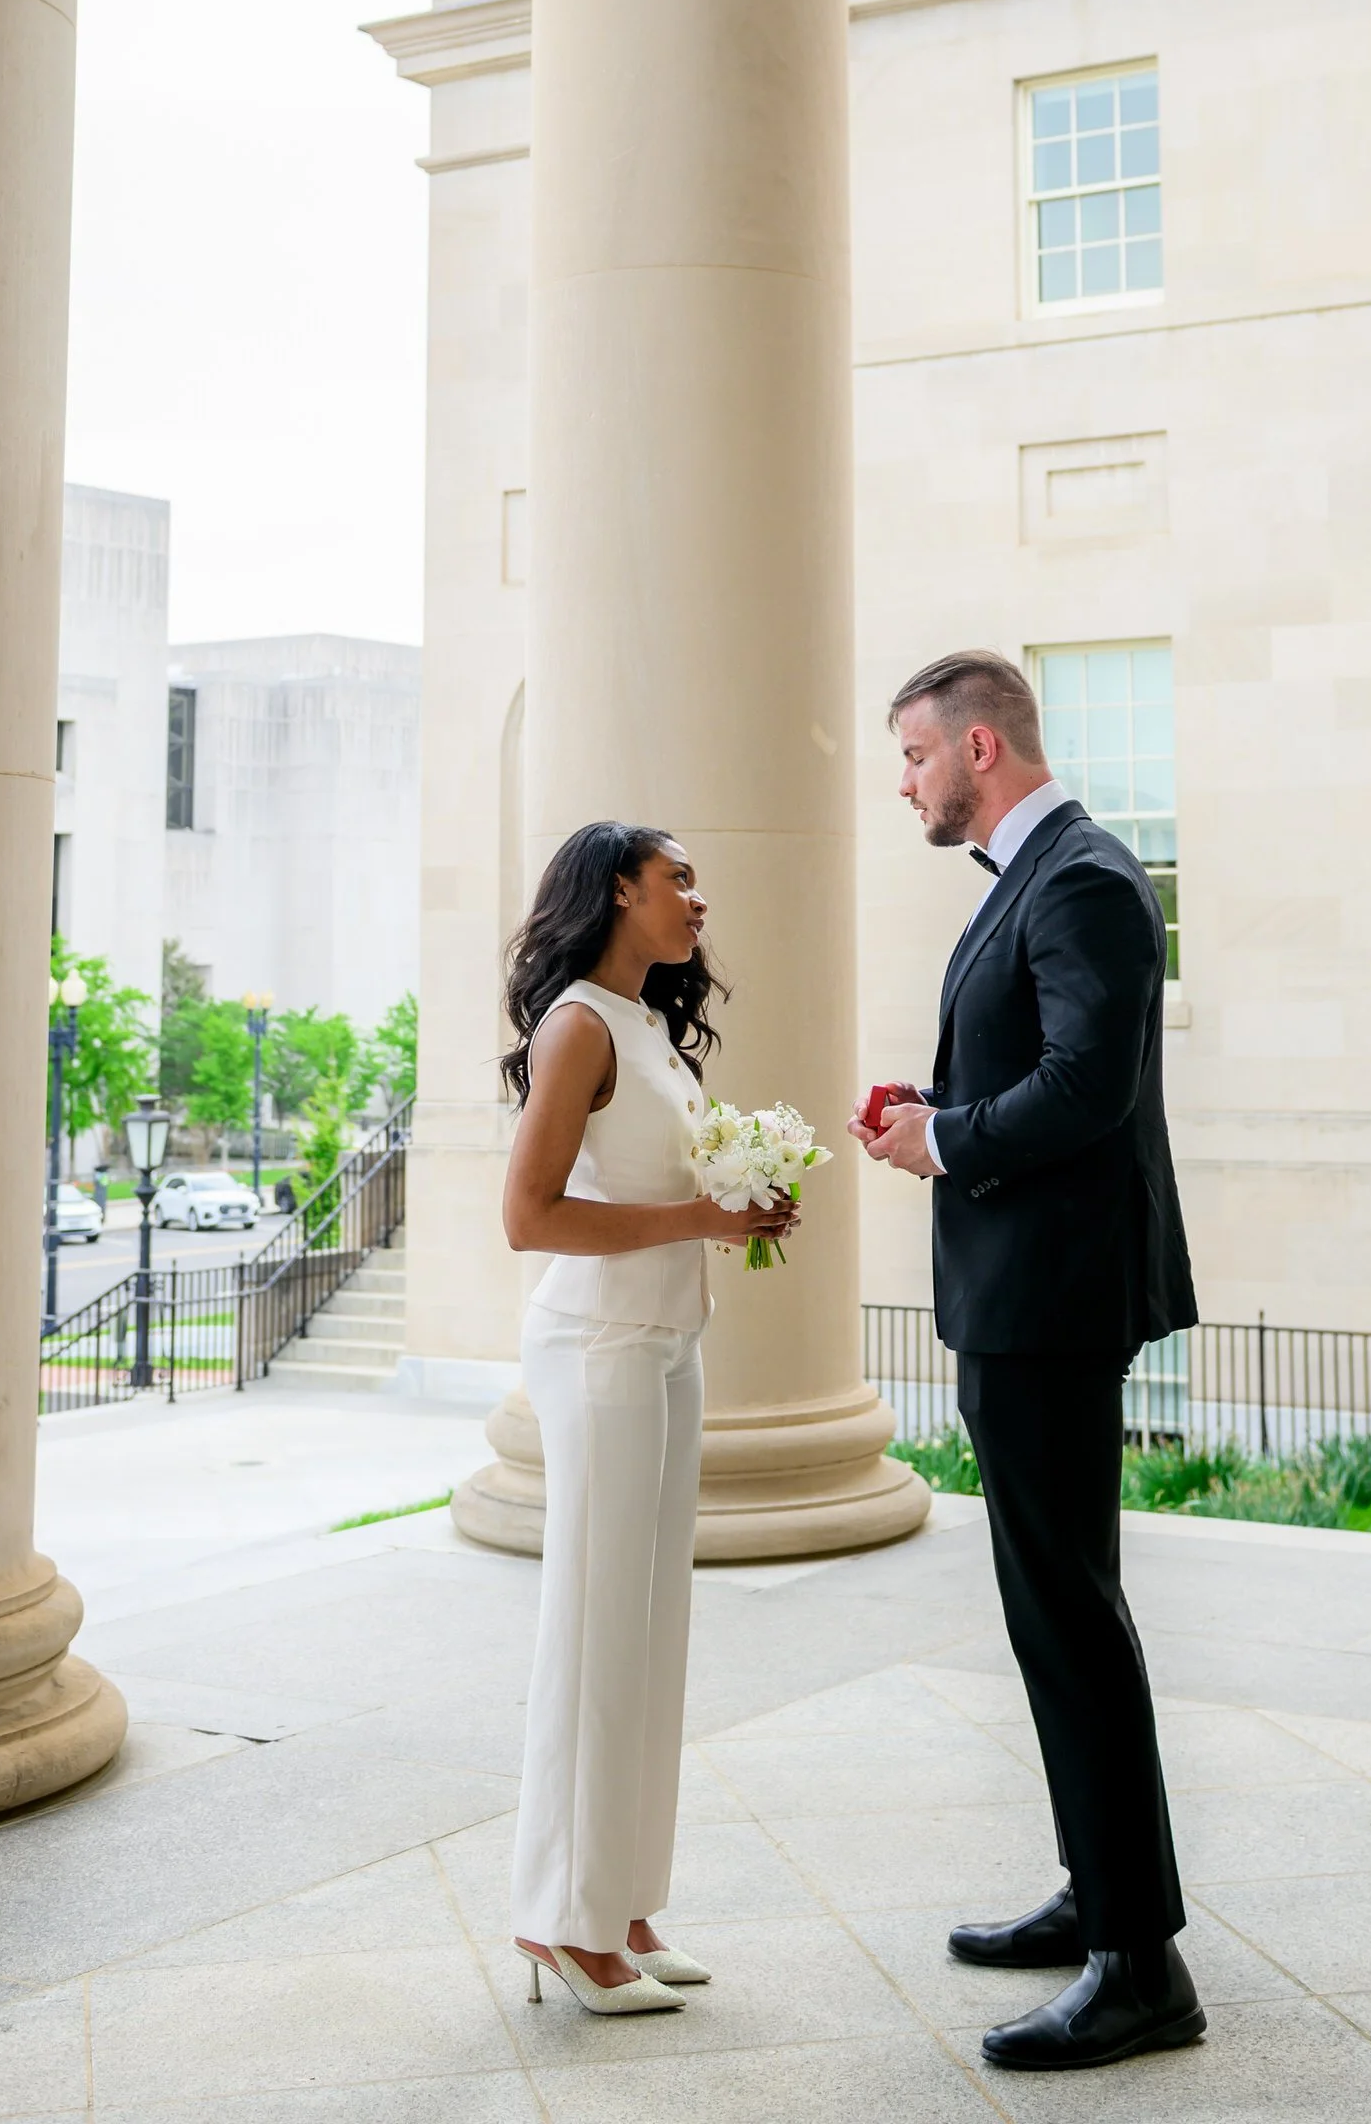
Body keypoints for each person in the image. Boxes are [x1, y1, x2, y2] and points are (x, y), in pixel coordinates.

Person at [851, 649, 1203, 2075]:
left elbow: (1086, 1088)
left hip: (1052, 1305)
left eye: (916, 758)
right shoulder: (1038, 879)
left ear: (981, 747)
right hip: (1025, 1296)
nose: (905, 783)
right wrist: (937, 1107)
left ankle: (1142, 1966)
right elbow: (1038, 1074)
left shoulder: (1083, 880)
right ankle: (1098, 1892)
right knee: (1057, 1614)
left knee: (1070, 1619)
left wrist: (945, 1140)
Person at [500, 819, 797, 2017]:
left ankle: (620, 1902)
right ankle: (559, 1923)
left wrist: (740, 1201)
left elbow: (671, 1189)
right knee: (594, 1629)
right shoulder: (577, 1024)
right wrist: (705, 1223)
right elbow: (529, 1216)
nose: (698, 899)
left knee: (654, 1629)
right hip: (598, 1350)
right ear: (620, 889)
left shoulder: (650, 1030)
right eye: (680, 878)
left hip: (669, 1343)